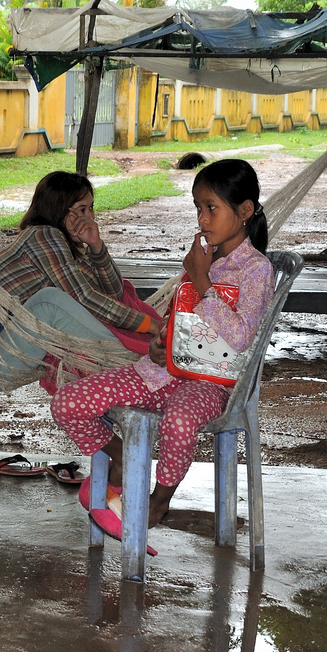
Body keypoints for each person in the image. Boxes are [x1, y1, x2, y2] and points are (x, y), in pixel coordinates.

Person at [50, 159, 274, 537]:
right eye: (198, 208)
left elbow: (237, 338)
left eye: (211, 208)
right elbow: (179, 319)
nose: (202, 218)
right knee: (68, 402)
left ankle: (160, 499)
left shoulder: (256, 271)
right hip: (160, 372)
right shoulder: (202, 258)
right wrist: (160, 343)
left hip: (209, 383)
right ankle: (119, 462)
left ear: (245, 211)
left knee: (180, 421)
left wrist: (202, 279)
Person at [0, 171, 161, 391]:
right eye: (81, 209)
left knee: (75, 302)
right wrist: (153, 326)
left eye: (91, 208)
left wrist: (96, 247)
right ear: (59, 210)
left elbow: (115, 294)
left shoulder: (65, 248)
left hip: (9, 347)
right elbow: (83, 297)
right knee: (51, 301)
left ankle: (135, 348)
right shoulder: (43, 236)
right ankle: (136, 350)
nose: (89, 217)